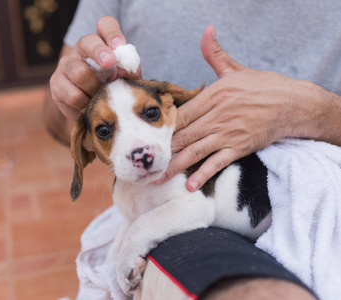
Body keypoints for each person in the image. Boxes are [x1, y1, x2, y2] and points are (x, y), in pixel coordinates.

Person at [44, 1, 341, 299]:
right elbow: (56, 120)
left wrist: (309, 110)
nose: (139, 150)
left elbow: (194, 208)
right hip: (205, 236)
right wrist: (71, 89)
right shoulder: (129, 187)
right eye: (105, 131)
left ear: (172, 103)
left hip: (305, 185)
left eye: (150, 114)